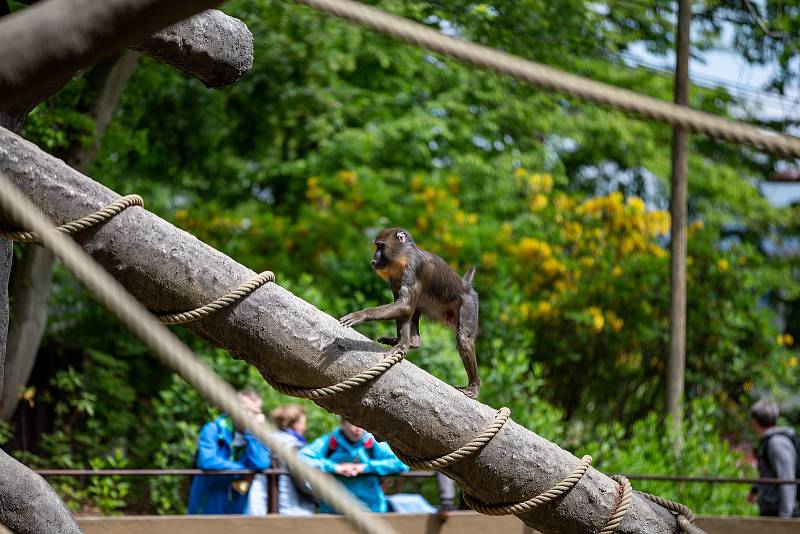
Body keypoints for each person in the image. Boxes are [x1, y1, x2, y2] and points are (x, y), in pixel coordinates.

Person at [188, 390, 271, 515]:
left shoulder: (255, 437)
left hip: (237, 512)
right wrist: (243, 470)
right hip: (206, 510)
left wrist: (251, 433)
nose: (250, 415)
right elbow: (207, 461)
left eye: (255, 412)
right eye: (246, 410)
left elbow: (261, 463)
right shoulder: (213, 429)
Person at [301, 419, 409, 513]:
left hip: (371, 510)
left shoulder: (372, 442)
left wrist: (365, 468)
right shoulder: (330, 441)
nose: (357, 429)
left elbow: (401, 463)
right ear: (342, 424)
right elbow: (301, 457)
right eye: (352, 423)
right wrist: (335, 467)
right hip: (334, 511)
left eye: (361, 424)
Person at [748, 399, 798, 518]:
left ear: (755, 420)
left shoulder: (776, 443)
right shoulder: (769, 441)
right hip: (772, 511)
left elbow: (787, 479)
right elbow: (768, 473)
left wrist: (785, 518)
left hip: (778, 513)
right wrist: (755, 489)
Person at [269, 404, 315, 515]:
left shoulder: (271, 439)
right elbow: (302, 480)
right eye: (303, 423)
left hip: (272, 505)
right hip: (293, 507)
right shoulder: (293, 446)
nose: (305, 428)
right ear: (295, 424)